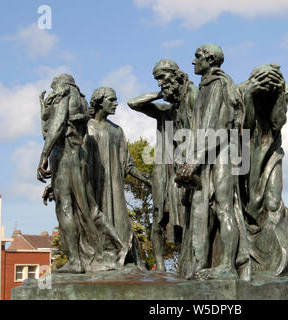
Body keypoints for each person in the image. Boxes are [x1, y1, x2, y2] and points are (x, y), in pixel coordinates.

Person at [176, 44, 250, 280]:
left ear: (209, 59)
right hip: (209, 154)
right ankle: (202, 264)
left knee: (223, 208)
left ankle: (227, 266)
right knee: (208, 209)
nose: (193, 61)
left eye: (197, 57)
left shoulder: (218, 84)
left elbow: (217, 129)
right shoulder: (206, 86)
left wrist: (195, 161)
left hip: (221, 153)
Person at [127, 59, 197, 272]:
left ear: (175, 74)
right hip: (163, 165)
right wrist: (161, 93)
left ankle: (189, 261)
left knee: (188, 212)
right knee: (158, 213)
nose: (159, 82)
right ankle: (160, 267)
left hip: (186, 165)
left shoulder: (193, 99)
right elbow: (133, 103)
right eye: (157, 79)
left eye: (162, 77)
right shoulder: (165, 109)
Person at [237, 64, 288, 275]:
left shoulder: (282, 90)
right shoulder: (241, 90)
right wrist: (249, 95)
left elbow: (277, 122)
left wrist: (278, 95)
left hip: (271, 155)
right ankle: (251, 258)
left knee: (273, 202)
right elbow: (244, 127)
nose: (267, 87)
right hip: (246, 156)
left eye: (271, 84)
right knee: (248, 208)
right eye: (263, 83)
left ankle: (283, 256)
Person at [37, 74, 106, 273]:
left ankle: (75, 261)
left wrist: (43, 156)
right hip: (77, 156)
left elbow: (56, 126)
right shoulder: (82, 100)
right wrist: (42, 107)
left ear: (62, 85)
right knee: (79, 208)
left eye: (54, 86)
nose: (53, 91)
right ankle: (84, 257)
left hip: (64, 154)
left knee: (64, 207)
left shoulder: (65, 95)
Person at [86, 87, 149, 268]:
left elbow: (127, 164)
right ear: (99, 102)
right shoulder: (85, 128)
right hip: (93, 188)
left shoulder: (117, 131)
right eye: (112, 100)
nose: (116, 104)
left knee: (123, 224)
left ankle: (124, 256)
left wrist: (147, 180)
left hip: (114, 187)